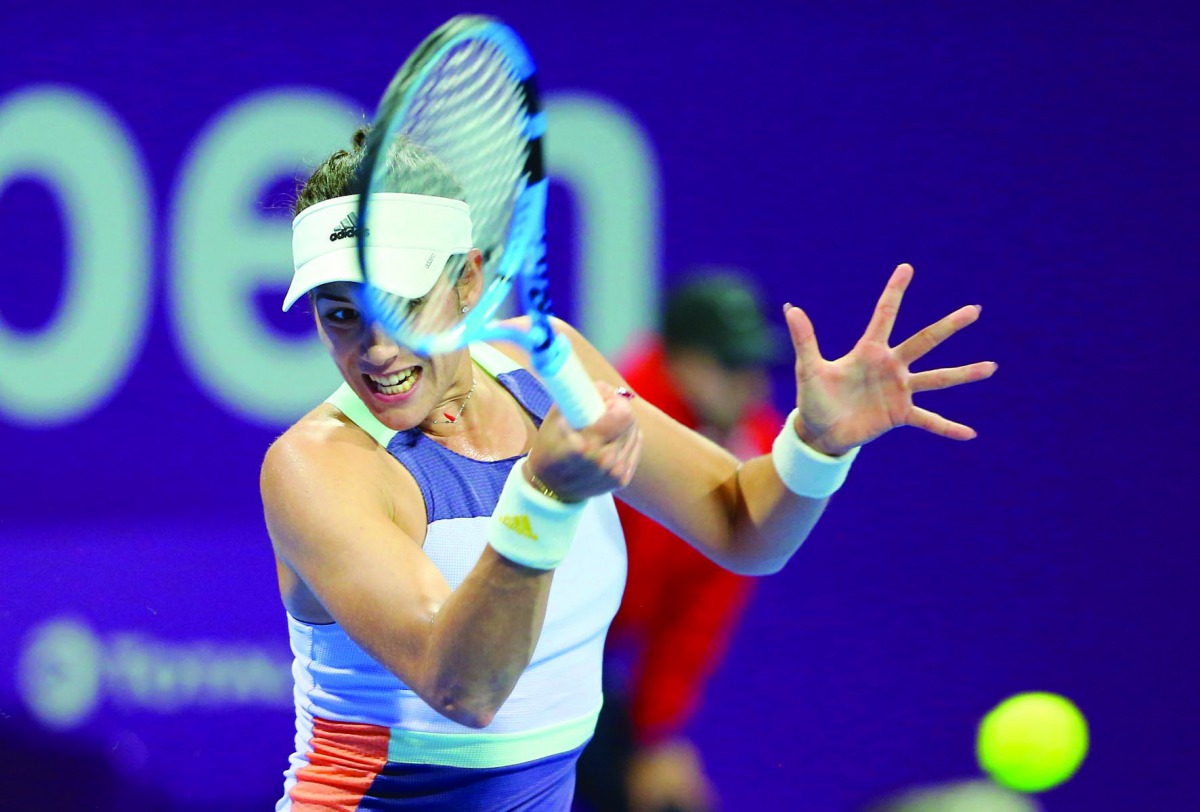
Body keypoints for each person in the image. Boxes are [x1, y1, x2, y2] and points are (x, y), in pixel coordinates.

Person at [263, 129, 997, 811]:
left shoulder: (548, 363)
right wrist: (544, 499)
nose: (376, 349)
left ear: (470, 279)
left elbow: (743, 527)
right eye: (340, 314)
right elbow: (466, 689)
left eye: (399, 301)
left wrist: (816, 444)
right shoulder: (316, 466)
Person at [574, 272, 787, 812]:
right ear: (681, 360)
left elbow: (701, 609)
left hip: (592, 658)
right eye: (731, 367)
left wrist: (655, 738)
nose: (753, 387)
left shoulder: (755, 441)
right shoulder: (600, 420)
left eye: (755, 366)